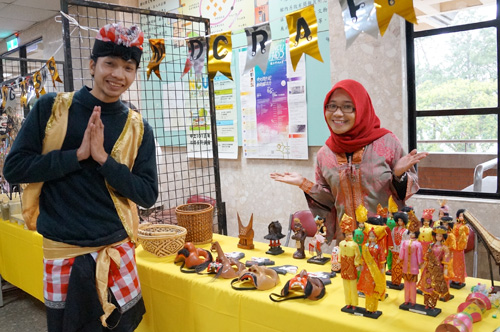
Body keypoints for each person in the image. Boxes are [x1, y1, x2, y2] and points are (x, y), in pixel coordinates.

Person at [3, 23, 158, 331]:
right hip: (64, 250)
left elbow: (147, 193)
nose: (118, 74)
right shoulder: (53, 109)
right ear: (92, 65)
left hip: (116, 249)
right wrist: (75, 156)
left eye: (128, 67)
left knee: (120, 326)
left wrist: (103, 159)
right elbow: (14, 167)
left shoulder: (138, 128)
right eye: (110, 63)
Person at [270, 79, 427, 242]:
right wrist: (304, 183)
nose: (337, 113)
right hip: (347, 242)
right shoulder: (325, 154)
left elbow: (406, 191)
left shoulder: (387, 142)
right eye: (332, 106)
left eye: (347, 106)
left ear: (361, 108)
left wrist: (398, 175)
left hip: (385, 242)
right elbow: (330, 201)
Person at [417, 226, 451, 309]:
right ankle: (426, 303)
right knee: (427, 285)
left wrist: (445, 271)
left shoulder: (444, 248)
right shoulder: (430, 245)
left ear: (443, 237)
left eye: (440, 236)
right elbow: (426, 257)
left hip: (437, 270)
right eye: (437, 235)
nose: (438, 237)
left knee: (435, 287)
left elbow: (446, 261)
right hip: (428, 269)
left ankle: (432, 304)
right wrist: (423, 265)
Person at [357, 228, 386, 314]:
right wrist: (361, 265)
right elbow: (363, 257)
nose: (371, 238)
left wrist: (382, 268)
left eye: (373, 236)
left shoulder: (379, 247)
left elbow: (381, 258)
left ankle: (373, 308)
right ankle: (367, 307)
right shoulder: (365, 246)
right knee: (368, 286)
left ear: (376, 237)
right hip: (366, 269)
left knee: (374, 287)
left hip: (375, 268)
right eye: (370, 236)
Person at [338, 213, 362, 310]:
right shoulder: (341, 243)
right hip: (344, 266)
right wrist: (339, 262)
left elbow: (357, 255)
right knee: (346, 286)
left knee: (353, 286)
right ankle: (348, 302)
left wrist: (357, 265)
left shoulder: (355, 245)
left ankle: (354, 303)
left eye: (350, 234)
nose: (349, 236)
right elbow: (340, 254)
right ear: (344, 235)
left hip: (351, 266)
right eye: (347, 234)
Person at [399, 217, 423, 306]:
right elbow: (402, 252)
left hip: (413, 267)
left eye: (413, 233)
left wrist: (420, 262)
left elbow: (419, 254)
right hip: (405, 266)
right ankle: (406, 299)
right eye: (411, 233)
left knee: (413, 285)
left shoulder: (418, 244)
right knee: (406, 284)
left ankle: (413, 301)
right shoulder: (405, 242)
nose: (412, 234)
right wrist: (399, 258)